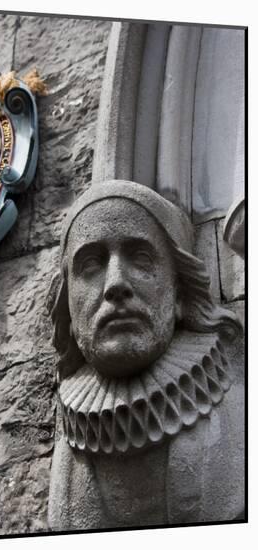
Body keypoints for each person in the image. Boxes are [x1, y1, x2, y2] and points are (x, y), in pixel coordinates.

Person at [47, 180, 244, 529]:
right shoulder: (72, 435)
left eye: (141, 257)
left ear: (180, 289)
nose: (115, 284)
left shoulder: (242, 398)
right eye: (90, 265)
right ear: (68, 306)